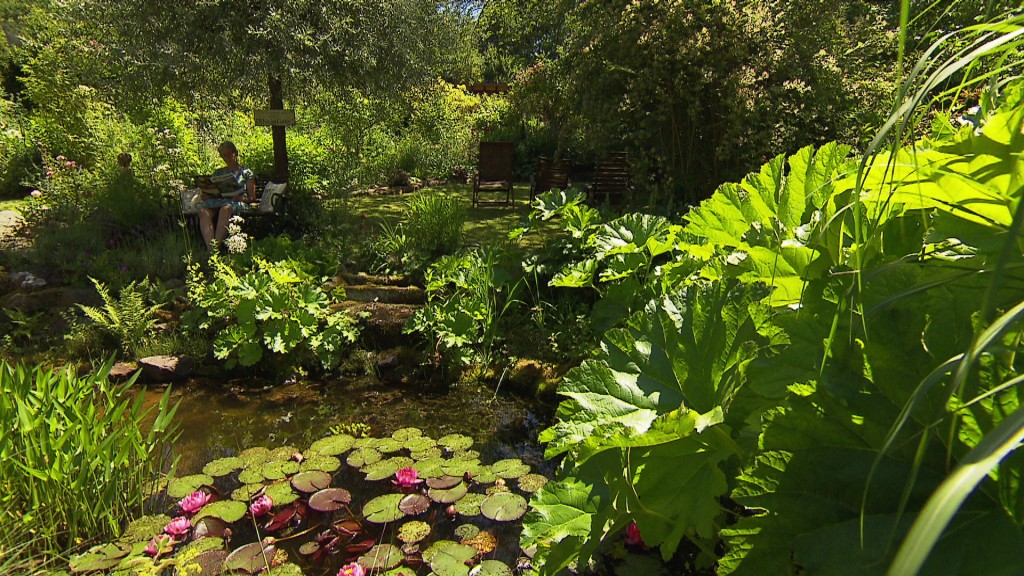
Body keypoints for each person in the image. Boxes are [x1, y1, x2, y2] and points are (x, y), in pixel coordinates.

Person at [199, 141, 256, 250]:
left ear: (236, 153)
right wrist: (207, 195)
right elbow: (213, 192)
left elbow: (252, 198)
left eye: (229, 154)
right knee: (203, 211)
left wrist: (240, 198)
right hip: (217, 202)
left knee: (226, 209)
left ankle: (215, 249)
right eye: (224, 155)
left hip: (236, 203)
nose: (227, 158)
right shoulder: (219, 173)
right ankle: (211, 248)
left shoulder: (246, 172)